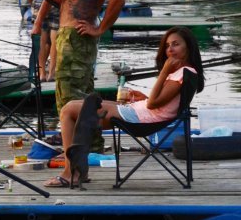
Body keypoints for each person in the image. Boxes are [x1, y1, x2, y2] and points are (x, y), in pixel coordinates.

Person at [44, 26, 205, 187]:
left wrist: (163, 72)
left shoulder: (183, 72)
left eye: (175, 44)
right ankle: (78, 170)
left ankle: (71, 172)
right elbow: (163, 104)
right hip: (139, 113)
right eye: (167, 45)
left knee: (68, 110)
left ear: (188, 47)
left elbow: (154, 104)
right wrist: (144, 98)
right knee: (74, 107)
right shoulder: (185, 72)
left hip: (139, 119)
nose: (170, 49)